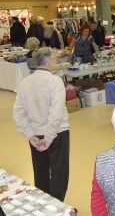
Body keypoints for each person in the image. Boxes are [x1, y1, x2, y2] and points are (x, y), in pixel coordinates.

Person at [13, 48, 70, 201]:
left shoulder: (25, 82)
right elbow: (56, 112)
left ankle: (44, 205)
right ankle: (58, 207)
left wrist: (30, 135)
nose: (57, 62)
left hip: (36, 135)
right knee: (59, 174)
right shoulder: (55, 81)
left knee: (40, 172)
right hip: (57, 133)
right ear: (48, 61)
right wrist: (49, 137)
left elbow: (18, 112)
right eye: (55, 59)